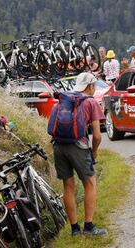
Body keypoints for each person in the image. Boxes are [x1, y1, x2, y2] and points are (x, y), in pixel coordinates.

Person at [52, 72, 107, 236]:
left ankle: (75, 229)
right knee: (90, 183)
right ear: (90, 86)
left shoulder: (65, 98)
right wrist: (94, 152)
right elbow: (97, 136)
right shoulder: (90, 102)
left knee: (68, 186)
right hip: (78, 146)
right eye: (94, 85)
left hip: (58, 145)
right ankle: (89, 227)